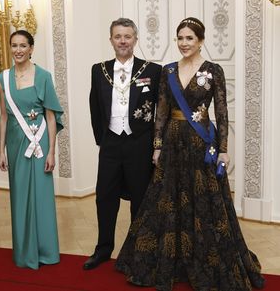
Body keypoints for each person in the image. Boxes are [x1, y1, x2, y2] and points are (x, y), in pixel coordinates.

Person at [115, 17, 265, 290]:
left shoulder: (213, 70)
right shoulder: (168, 71)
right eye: (180, 38)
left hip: (201, 143)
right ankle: (172, 260)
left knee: (204, 204)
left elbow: (221, 112)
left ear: (201, 41)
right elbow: (160, 111)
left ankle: (203, 259)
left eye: (190, 39)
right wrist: (157, 146)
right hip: (172, 143)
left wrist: (223, 150)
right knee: (167, 200)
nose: (184, 44)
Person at [85, 18, 162, 270]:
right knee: (105, 198)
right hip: (110, 145)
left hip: (139, 144)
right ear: (111, 40)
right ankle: (103, 249)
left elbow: (160, 110)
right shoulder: (99, 70)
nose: (123, 41)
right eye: (118, 36)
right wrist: (102, 140)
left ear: (135, 39)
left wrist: (155, 144)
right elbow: (95, 106)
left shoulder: (152, 70)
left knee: (140, 200)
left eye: (127, 36)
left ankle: (137, 252)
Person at [0, 30, 63, 269]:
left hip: (40, 141)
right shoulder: (3, 78)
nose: (18, 50)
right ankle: (25, 252)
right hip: (16, 142)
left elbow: (52, 117)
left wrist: (52, 151)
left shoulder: (43, 76)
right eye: (14, 45)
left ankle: (46, 251)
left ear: (31, 48)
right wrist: (2, 150)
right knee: (19, 195)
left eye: (23, 45)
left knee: (42, 196)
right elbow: (4, 117)